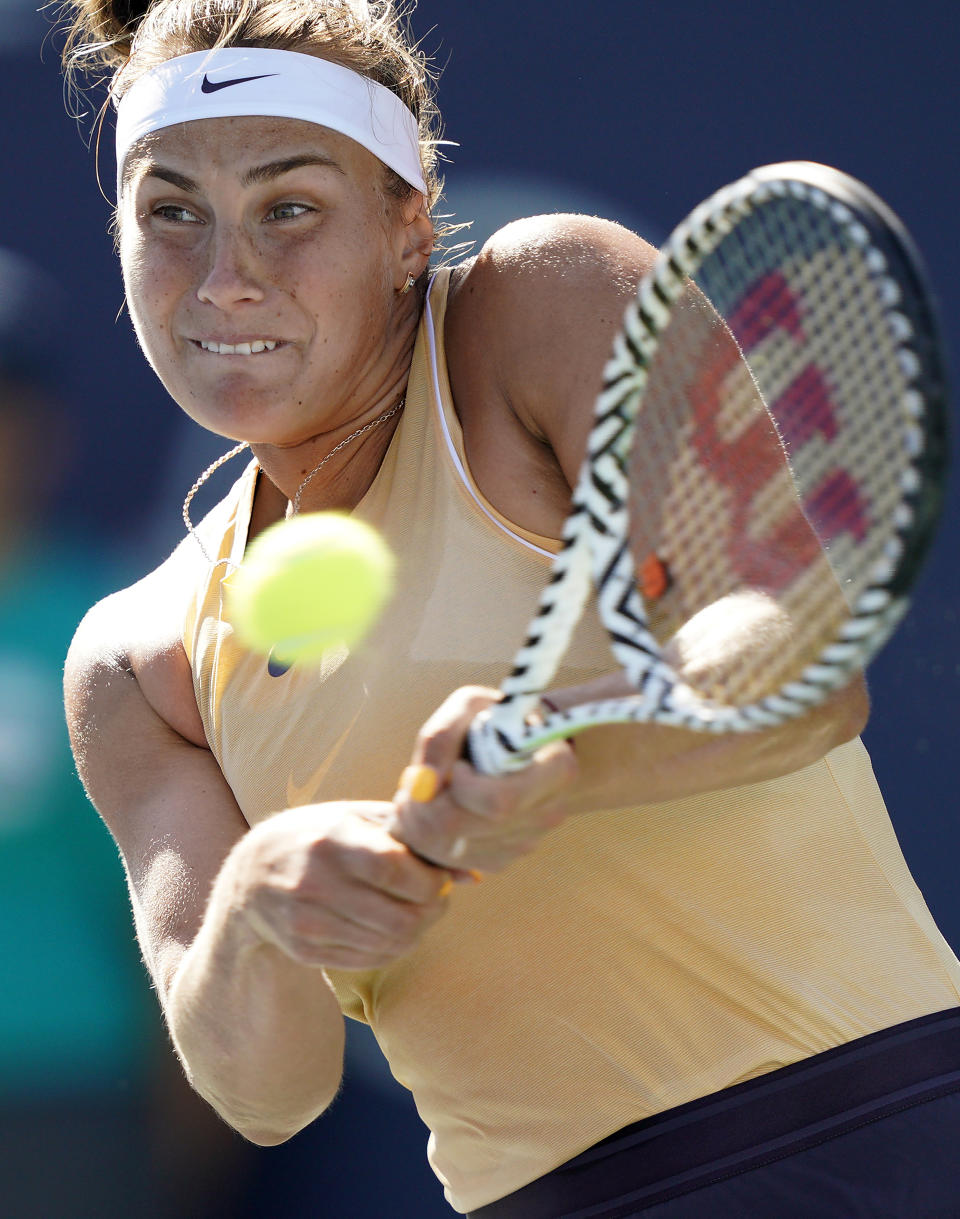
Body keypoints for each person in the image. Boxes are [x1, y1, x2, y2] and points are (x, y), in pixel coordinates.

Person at [60, 2, 960, 1216]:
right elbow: (264, 1092)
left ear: (405, 225)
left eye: (289, 208)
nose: (225, 278)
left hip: (879, 1130)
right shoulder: (134, 661)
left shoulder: (541, 305)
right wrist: (263, 902)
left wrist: (567, 755)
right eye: (173, 211)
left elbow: (800, 658)